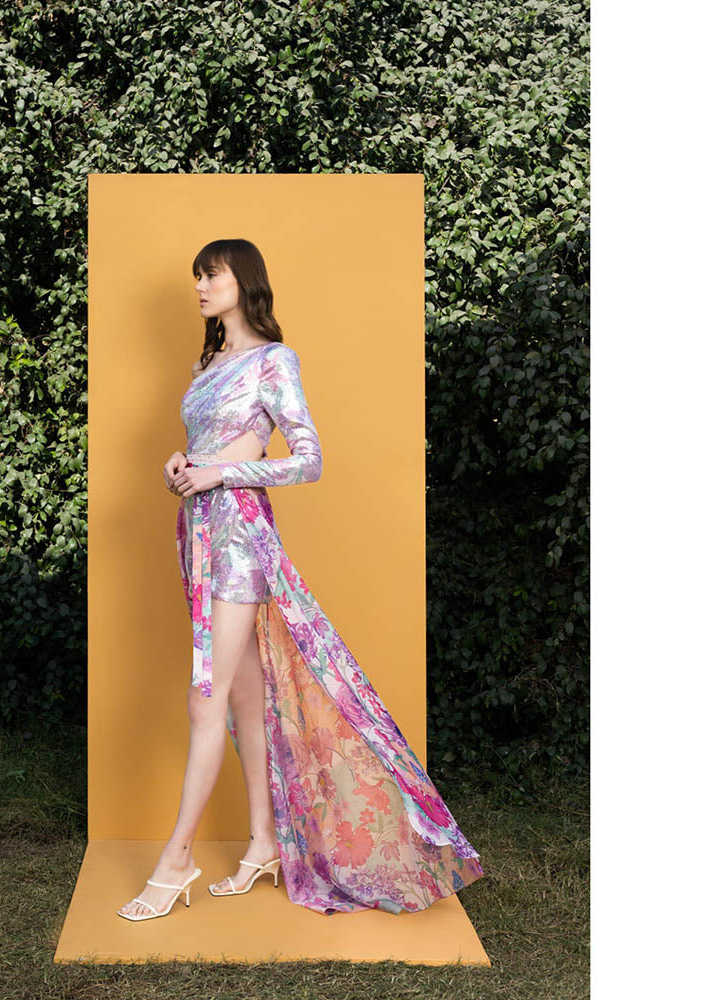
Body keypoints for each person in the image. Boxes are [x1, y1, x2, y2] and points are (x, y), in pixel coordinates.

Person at [117, 239, 484, 921]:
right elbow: (210, 451)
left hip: (239, 541)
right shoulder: (207, 364)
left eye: (211, 275)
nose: (200, 286)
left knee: (205, 696)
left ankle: (176, 860)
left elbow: (308, 460)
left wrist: (221, 472)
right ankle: (263, 843)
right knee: (243, 696)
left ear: (243, 280)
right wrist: (185, 466)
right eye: (197, 276)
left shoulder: (273, 361)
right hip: (198, 534)